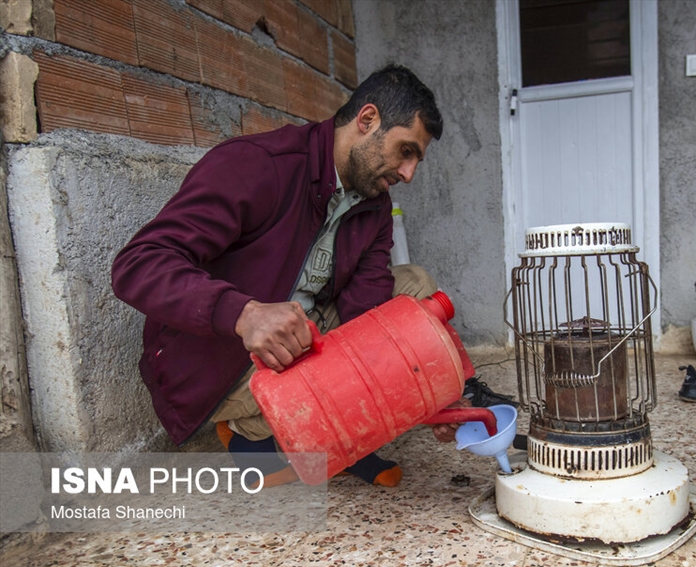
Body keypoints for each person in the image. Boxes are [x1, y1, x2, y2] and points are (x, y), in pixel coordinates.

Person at [112, 64, 512, 488]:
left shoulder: (374, 205)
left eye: (416, 160)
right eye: (406, 151)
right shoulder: (256, 165)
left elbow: (367, 314)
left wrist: (425, 392)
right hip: (223, 354)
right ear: (367, 120)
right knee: (330, 374)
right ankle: (253, 433)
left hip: (305, 328)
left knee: (414, 291)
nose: (408, 173)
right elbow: (138, 263)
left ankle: (348, 438)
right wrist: (244, 315)